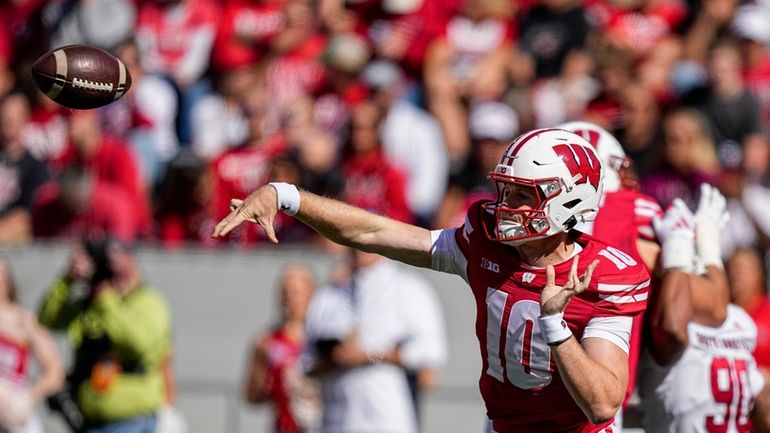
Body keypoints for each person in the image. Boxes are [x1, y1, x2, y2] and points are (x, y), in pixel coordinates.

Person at [213, 127, 651, 432]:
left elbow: (602, 403)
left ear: (568, 202)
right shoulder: (483, 243)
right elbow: (373, 232)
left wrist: (555, 324)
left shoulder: (605, 274)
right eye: (505, 191)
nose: (504, 206)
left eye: (522, 195)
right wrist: (287, 196)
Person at [638, 185, 770, 433]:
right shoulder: (674, 316)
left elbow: (761, 400)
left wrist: (685, 247)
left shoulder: (739, 321)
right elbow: (673, 329)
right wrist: (696, 246)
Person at [303, 247, 447, 433]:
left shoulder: (407, 287)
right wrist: (336, 358)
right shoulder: (328, 294)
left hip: (387, 420)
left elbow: (431, 351)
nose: (359, 246)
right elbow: (305, 362)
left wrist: (370, 355)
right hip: (335, 421)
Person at [38, 238, 172, 433]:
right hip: (86, 420)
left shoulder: (149, 302)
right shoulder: (90, 305)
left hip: (130, 420)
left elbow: (137, 343)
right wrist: (67, 279)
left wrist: (105, 297)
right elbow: (47, 319)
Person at [243, 264, 321, 433]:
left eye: (296, 292)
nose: (289, 298)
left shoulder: (322, 338)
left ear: (311, 294)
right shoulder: (268, 341)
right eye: (284, 292)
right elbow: (251, 396)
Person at [0, 257, 64, 433]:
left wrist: (27, 397)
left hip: (12, 415)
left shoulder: (24, 321)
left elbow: (55, 372)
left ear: (7, 283)